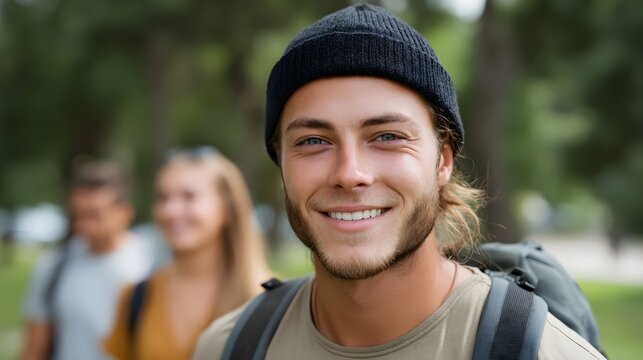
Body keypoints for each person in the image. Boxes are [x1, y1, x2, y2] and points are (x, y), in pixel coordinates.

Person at [194, 4, 606, 360]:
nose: (349, 173)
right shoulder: (230, 347)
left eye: (387, 137)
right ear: (281, 162)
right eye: (314, 141)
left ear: (442, 160)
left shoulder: (542, 351)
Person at [104, 147, 271, 360]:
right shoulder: (137, 297)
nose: (170, 210)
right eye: (163, 198)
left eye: (188, 196)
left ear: (227, 209)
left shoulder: (267, 299)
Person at [22, 161, 155, 360]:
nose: (84, 226)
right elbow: (36, 342)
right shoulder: (56, 265)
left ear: (125, 212)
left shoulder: (152, 263)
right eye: (78, 215)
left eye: (94, 215)